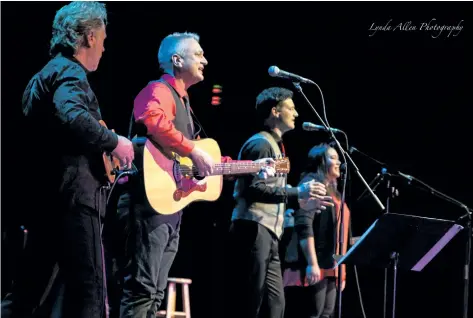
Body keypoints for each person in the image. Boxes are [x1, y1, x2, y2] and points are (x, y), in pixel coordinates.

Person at [114, 32, 274, 318]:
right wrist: (191, 150)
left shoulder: (184, 103)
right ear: (177, 60)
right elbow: (151, 118)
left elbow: (208, 160)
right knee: (141, 291)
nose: (205, 60)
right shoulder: (159, 89)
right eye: (198, 54)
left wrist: (253, 166)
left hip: (169, 208)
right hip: (147, 204)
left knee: (154, 294)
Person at [1, 2, 135, 318]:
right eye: (102, 38)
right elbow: (73, 116)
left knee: (24, 297)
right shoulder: (70, 72)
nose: (104, 47)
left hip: (46, 200)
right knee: (91, 298)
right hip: (75, 201)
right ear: (89, 36)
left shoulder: (40, 77)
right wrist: (116, 142)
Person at [225, 87, 334, 318]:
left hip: (269, 233)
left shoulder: (278, 149)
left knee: (275, 305)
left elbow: (276, 191)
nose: (296, 114)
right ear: (275, 111)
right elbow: (254, 189)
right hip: (253, 228)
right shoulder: (260, 144)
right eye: (291, 108)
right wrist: (298, 192)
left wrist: (302, 202)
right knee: (250, 301)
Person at [283, 143, 352, 318]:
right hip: (314, 263)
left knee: (327, 313)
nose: (338, 162)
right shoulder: (312, 184)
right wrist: (312, 263)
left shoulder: (335, 192)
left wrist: (342, 271)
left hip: (332, 265)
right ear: (320, 161)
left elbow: (342, 235)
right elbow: (304, 224)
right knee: (314, 313)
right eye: (333, 158)